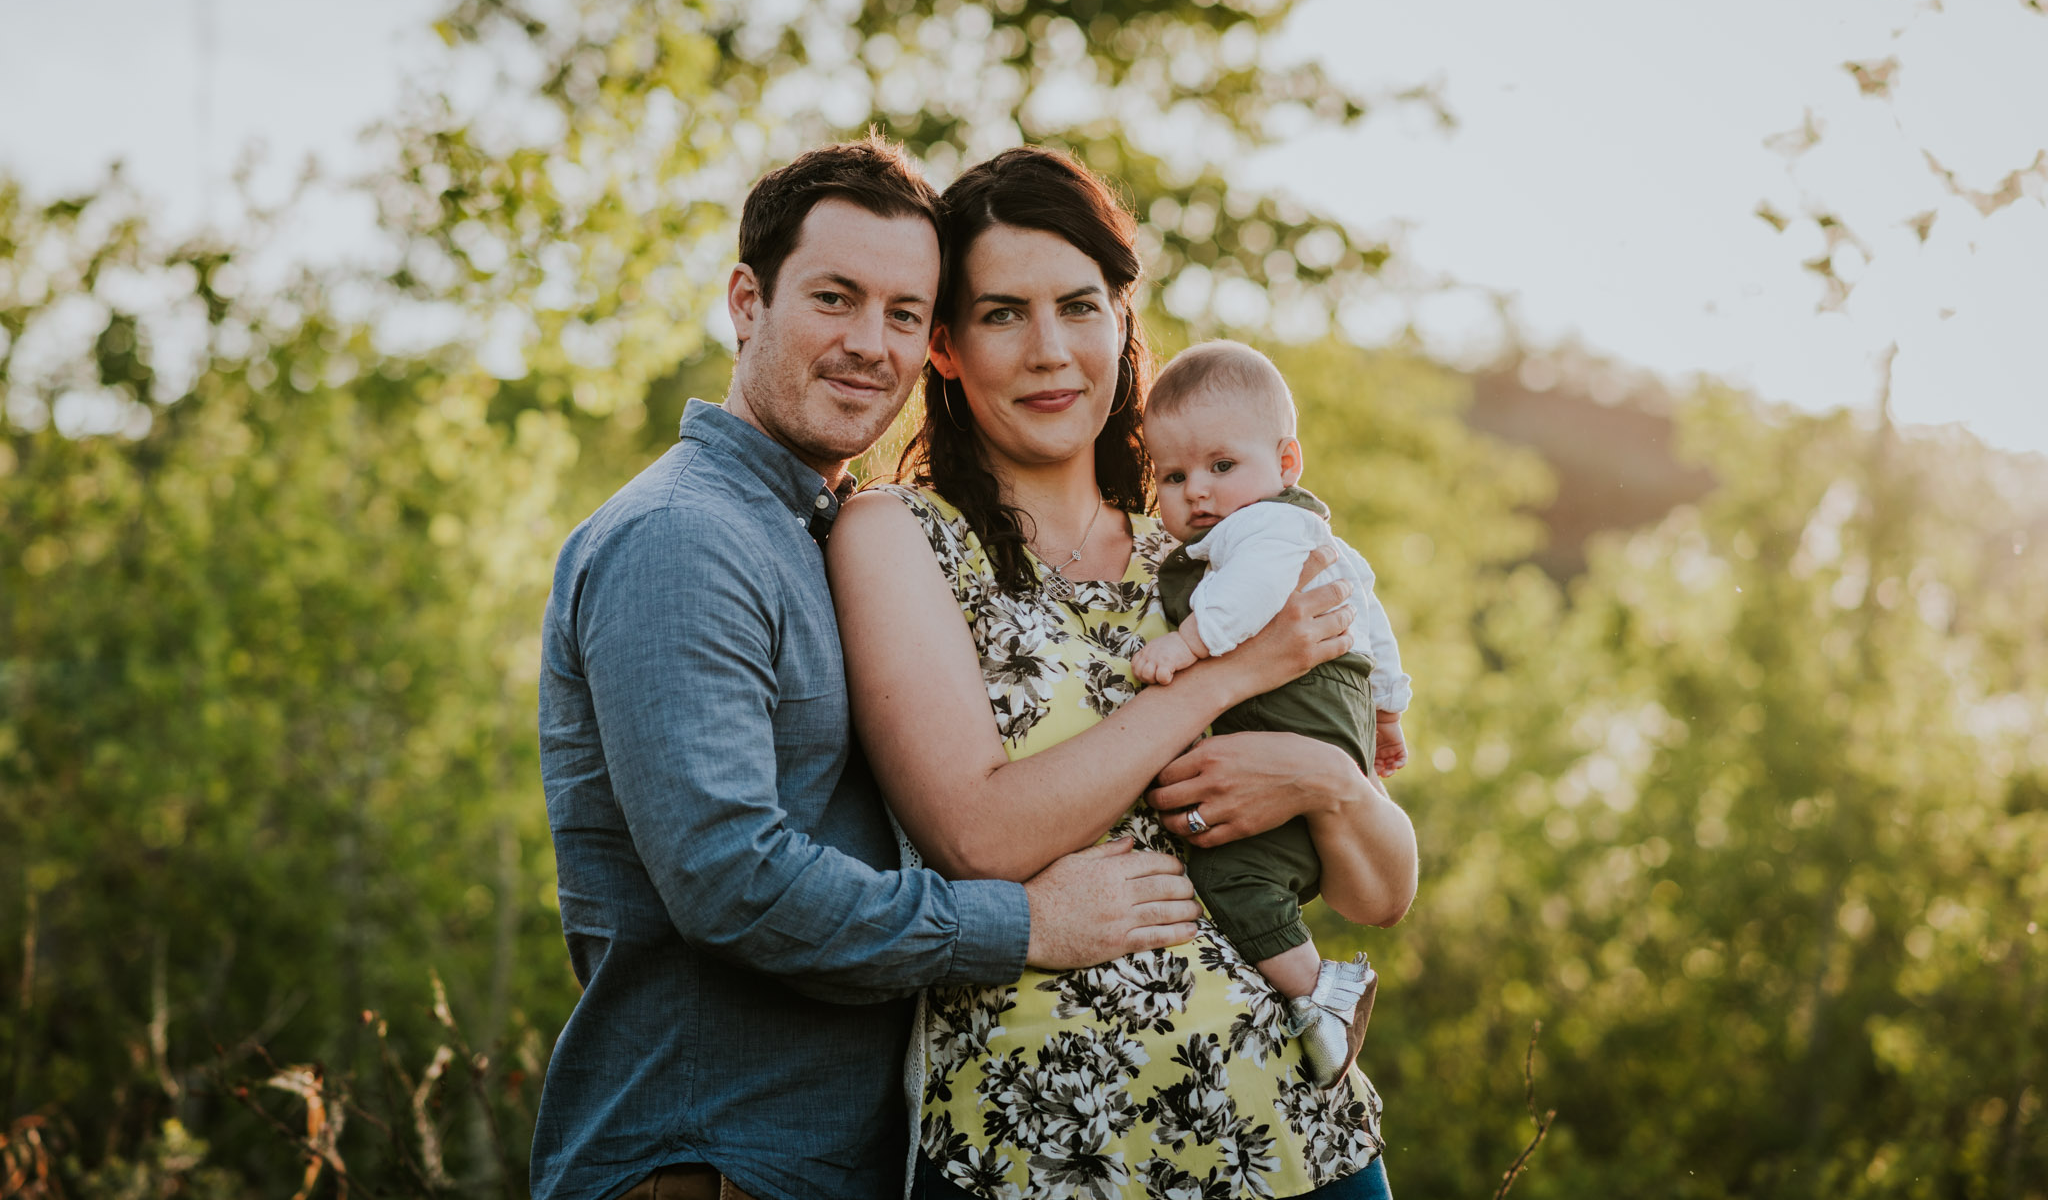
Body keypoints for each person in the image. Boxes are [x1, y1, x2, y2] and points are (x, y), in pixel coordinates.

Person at [532, 137, 1212, 1200]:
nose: (869, 344)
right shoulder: (682, 538)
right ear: (745, 301)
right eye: (834, 298)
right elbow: (730, 878)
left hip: (824, 1162)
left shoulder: (819, 530)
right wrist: (1026, 924)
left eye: (903, 312)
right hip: (703, 1161)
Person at [828, 147, 1418, 1200]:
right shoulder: (900, 535)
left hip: (1298, 1142)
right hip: (1042, 1151)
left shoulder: (1214, 554)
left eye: (1079, 305)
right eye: (1002, 313)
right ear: (947, 348)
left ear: (1120, 321)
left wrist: (1322, 778)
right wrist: (1219, 681)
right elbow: (979, 835)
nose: (1051, 350)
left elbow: (1379, 893)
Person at [1130, 339, 1416, 1089]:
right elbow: (1371, 619)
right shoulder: (1317, 536)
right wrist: (1389, 712)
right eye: (1175, 475)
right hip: (1334, 712)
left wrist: (1190, 642)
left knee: (1231, 869)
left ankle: (1320, 990)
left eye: (1223, 466)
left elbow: (1251, 594)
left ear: (1287, 463)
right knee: (1265, 852)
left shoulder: (1260, 532)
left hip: (1301, 710)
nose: (1198, 491)